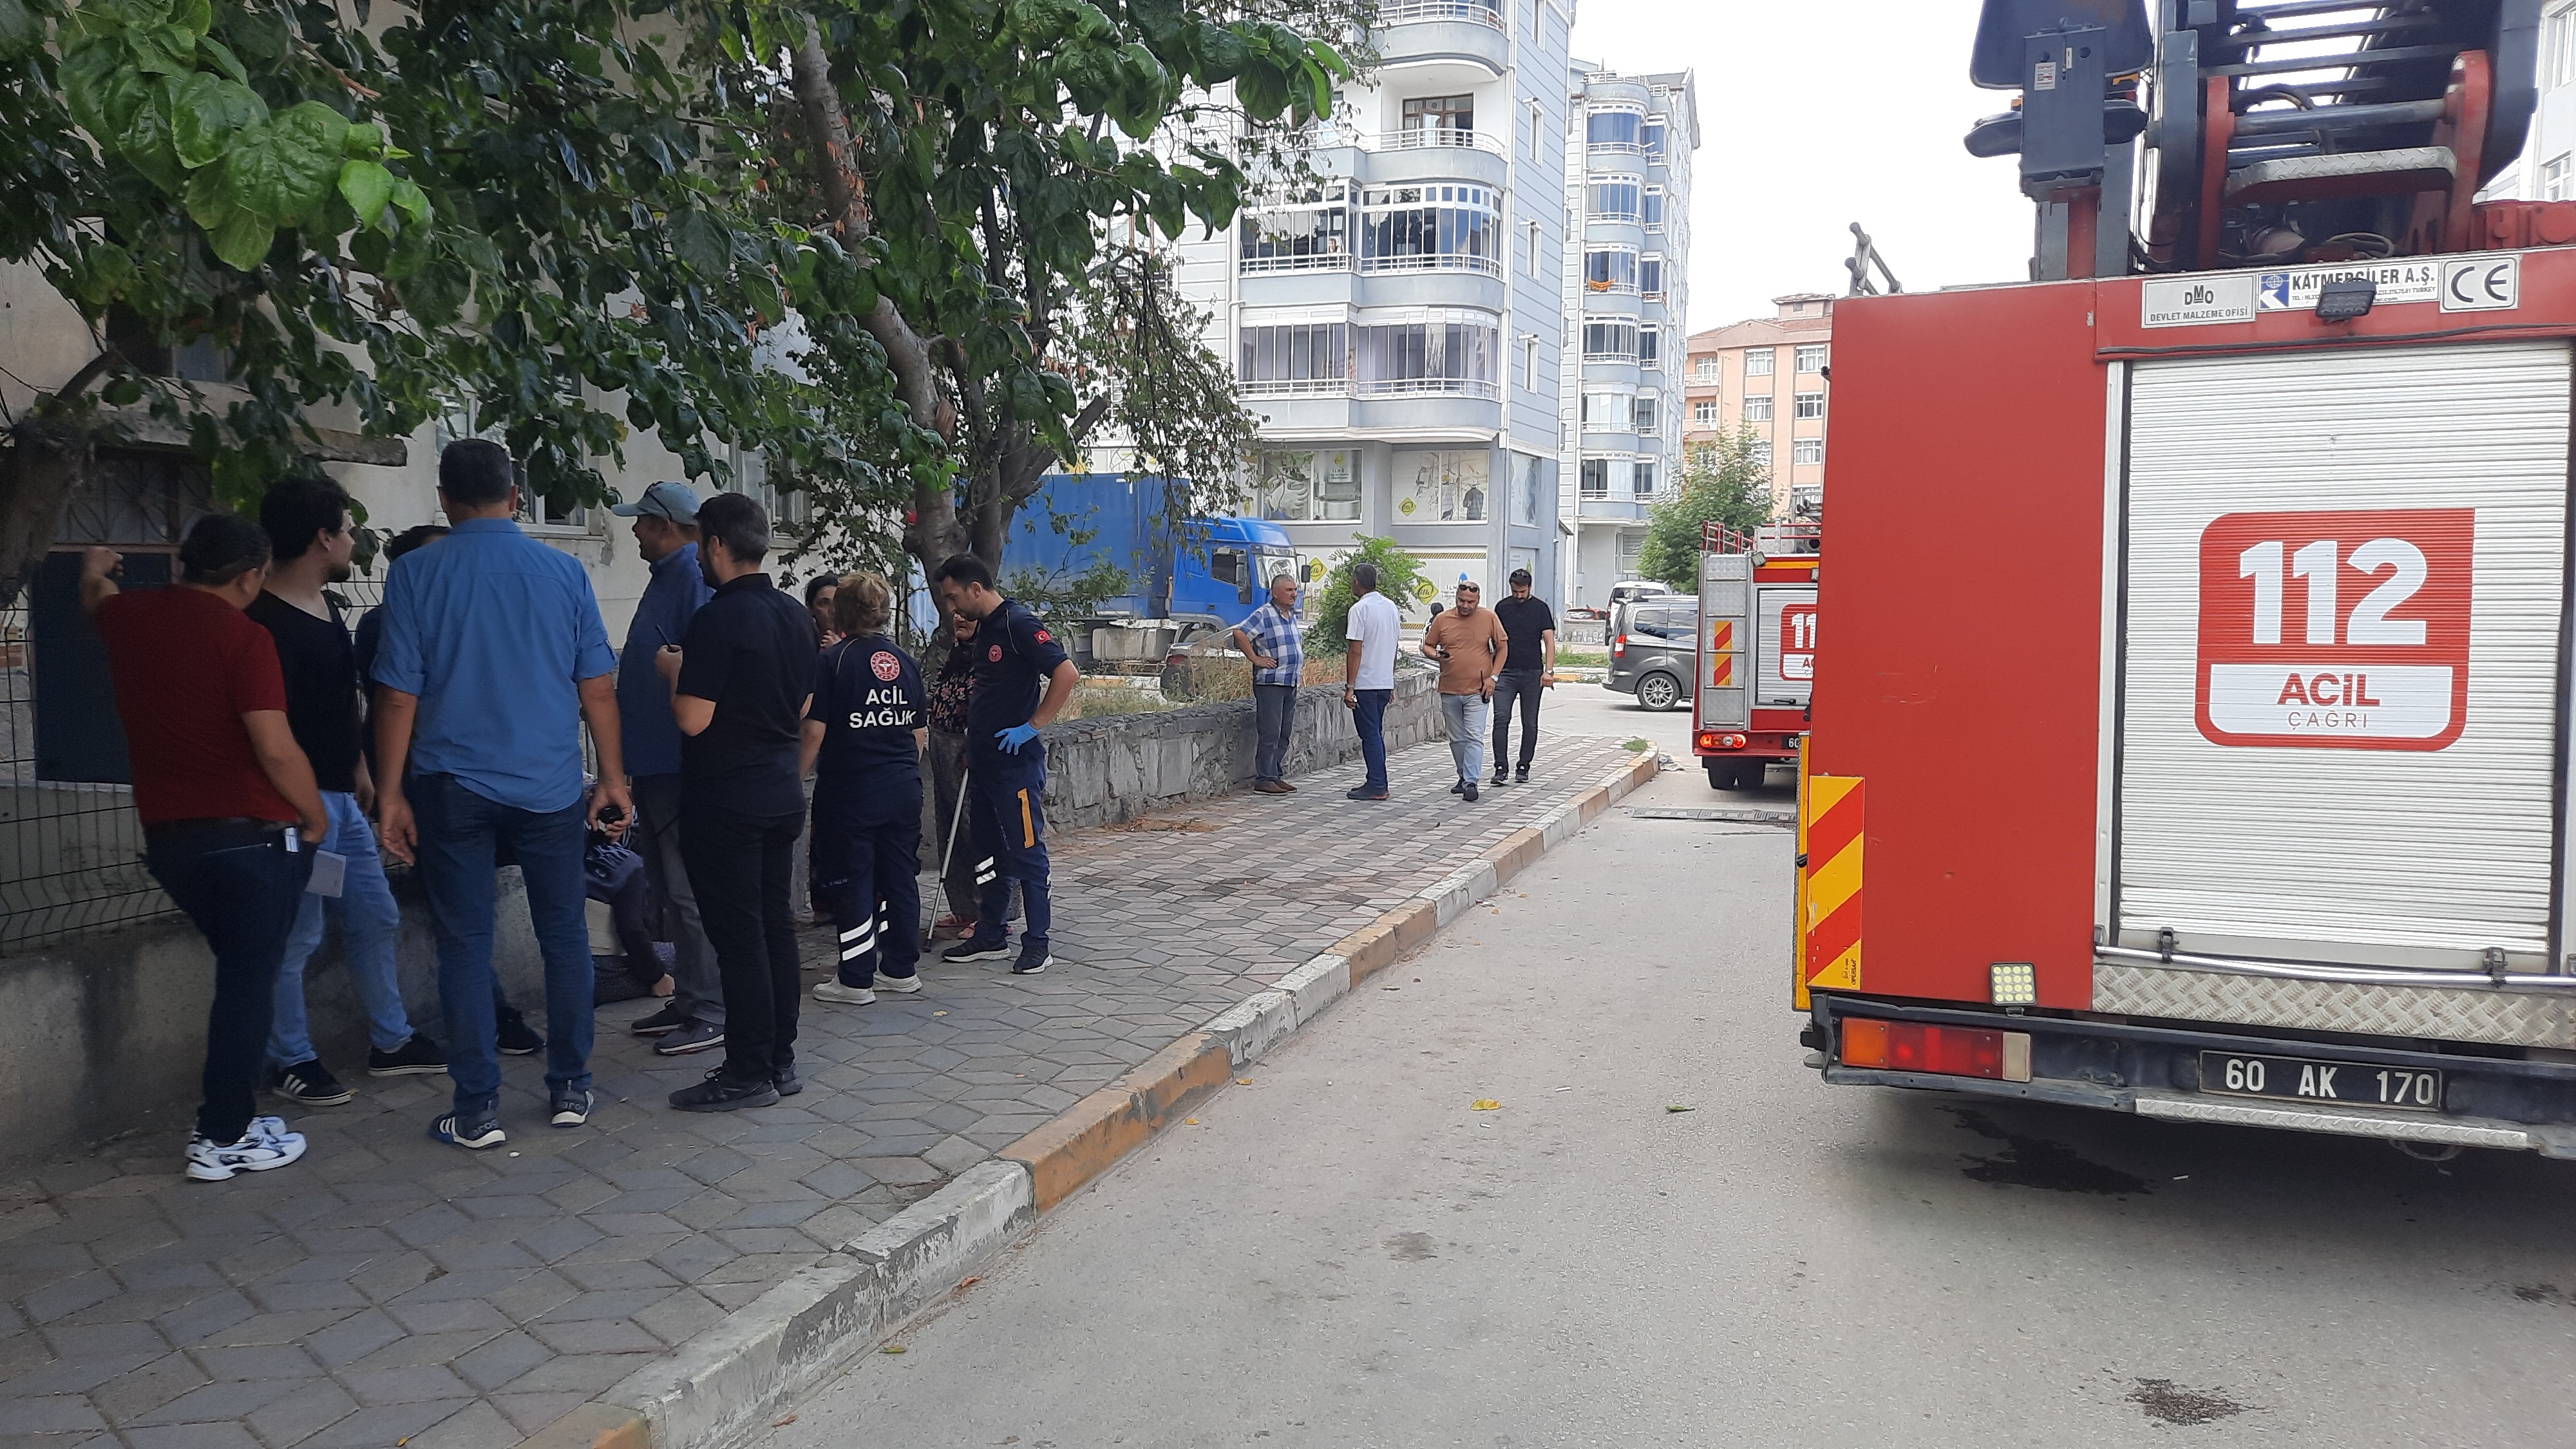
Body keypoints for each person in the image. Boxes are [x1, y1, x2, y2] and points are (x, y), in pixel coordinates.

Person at [374, 440, 630, 1150]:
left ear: (445, 499)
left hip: (450, 788)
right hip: (548, 787)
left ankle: (477, 1108)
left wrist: (389, 794)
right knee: (564, 936)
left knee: (463, 944)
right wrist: (611, 777)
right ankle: (572, 1086)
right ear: (516, 496)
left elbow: (397, 697)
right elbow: (598, 689)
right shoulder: (564, 573)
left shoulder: (416, 574)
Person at [82, 518, 330, 1182]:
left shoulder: (128, 618)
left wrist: (96, 567)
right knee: (248, 987)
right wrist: (314, 816)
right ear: (250, 576)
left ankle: (236, 1118)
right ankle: (223, 1135)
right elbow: (275, 748)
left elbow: (96, 598)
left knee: (240, 978)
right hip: (250, 836)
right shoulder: (245, 640)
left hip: (170, 839)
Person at [251, 477, 445, 1108]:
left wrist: (361, 766)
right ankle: (292, 1058)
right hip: (295, 807)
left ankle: (392, 1040)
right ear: (321, 537)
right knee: (298, 935)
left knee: (374, 914)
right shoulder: (260, 621)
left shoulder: (328, 607)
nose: (353, 540)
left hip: (341, 798)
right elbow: (268, 729)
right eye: (346, 528)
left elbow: (343, 702)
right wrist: (306, 803)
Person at [354, 523, 547, 1058]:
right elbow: (397, 705)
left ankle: (488, 1017)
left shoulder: (458, 618)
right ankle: (488, 1019)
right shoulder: (385, 624)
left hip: (480, 784)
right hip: (429, 788)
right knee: (458, 916)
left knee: (470, 908)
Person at [658, 491, 815, 1110]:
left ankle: (748, 1068)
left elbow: (693, 719)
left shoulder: (717, 618)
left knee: (740, 937)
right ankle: (780, 1058)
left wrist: (675, 672)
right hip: (780, 790)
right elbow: (803, 705)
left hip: (727, 798)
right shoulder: (796, 615)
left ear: (716, 545)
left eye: (700, 545)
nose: (698, 557)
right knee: (774, 928)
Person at [606, 481, 725, 1058]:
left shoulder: (693, 580)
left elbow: (704, 670)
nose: (633, 530)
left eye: (642, 522)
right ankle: (690, 997)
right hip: (654, 763)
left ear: (667, 526)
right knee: (668, 888)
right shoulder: (669, 577)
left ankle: (712, 1008)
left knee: (688, 889)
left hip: (679, 764)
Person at [932, 554, 1079, 976]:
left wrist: (1033, 726)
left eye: (955, 596)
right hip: (984, 763)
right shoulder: (985, 629)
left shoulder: (1018, 624)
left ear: (976, 588)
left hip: (1016, 766)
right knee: (987, 850)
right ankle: (992, 931)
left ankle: (1038, 943)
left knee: (1027, 852)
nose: (953, 607)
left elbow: (1066, 673)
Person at [801, 573, 927, 1006]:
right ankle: (900, 969)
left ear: (840, 612)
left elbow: (814, 733)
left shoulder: (834, 661)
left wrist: (791, 780)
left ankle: (855, 978)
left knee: (855, 879)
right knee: (900, 877)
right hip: (903, 786)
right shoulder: (905, 662)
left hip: (853, 789)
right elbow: (918, 734)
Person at [922, 611, 983, 936]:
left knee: (975, 829)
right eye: (956, 617)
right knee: (950, 829)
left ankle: (989, 911)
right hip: (942, 742)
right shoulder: (956, 654)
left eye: (968, 619)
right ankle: (962, 907)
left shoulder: (988, 655)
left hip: (967, 748)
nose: (959, 621)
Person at [1419, 580, 1508, 802]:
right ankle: (1463, 775)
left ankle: (1471, 782)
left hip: (1479, 690)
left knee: (1474, 737)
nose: (1466, 605)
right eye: (1461, 601)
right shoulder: (1443, 619)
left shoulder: (1489, 618)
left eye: (1471, 602)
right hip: (1450, 689)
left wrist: (1493, 677)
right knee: (1457, 739)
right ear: (1456, 598)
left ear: (1478, 601)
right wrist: (1436, 655)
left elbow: (1503, 647)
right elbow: (1427, 645)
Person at [1231, 573, 1303, 795]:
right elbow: (1240, 633)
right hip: (1271, 682)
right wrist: (1255, 658)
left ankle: (1275, 774)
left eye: (1295, 590)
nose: (1294, 594)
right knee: (1270, 731)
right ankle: (1265, 778)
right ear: (1275, 592)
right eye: (1289, 590)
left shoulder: (1291, 615)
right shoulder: (1264, 614)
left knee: (1284, 732)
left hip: (1290, 681)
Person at [1488, 567, 1557, 787]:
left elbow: (1549, 641)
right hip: (1505, 673)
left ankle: (1523, 767)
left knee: (1530, 722)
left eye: (1523, 591)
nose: (1519, 596)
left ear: (1530, 588)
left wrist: (1549, 671)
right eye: (1516, 591)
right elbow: (1493, 640)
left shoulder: (1540, 608)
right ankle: (1500, 768)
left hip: (1532, 673)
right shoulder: (1502, 607)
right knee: (1501, 720)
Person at [1340, 561, 1401, 802]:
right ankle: (1375, 778)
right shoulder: (1391, 607)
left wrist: (1350, 686)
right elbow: (1394, 646)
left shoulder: (1359, 609)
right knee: (1376, 731)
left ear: (1356, 582)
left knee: (1370, 735)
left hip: (1366, 682)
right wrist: (1391, 679)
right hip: (1384, 681)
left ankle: (1378, 783)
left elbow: (1356, 650)